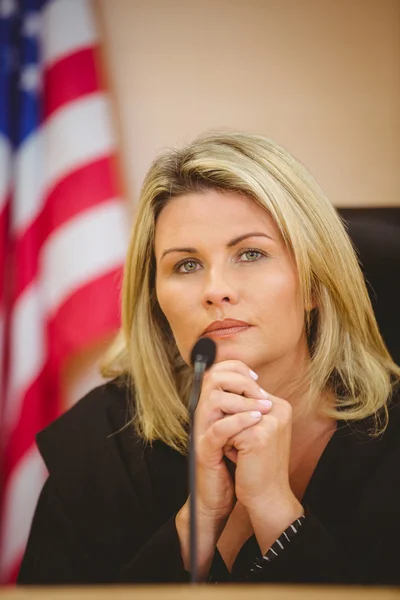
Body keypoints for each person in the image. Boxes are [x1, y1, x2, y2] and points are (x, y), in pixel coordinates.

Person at [18, 131, 400, 585]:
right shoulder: (103, 437)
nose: (215, 289)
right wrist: (198, 518)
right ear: (156, 298)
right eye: (186, 265)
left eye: (251, 254)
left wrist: (275, 510)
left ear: (316, 283)